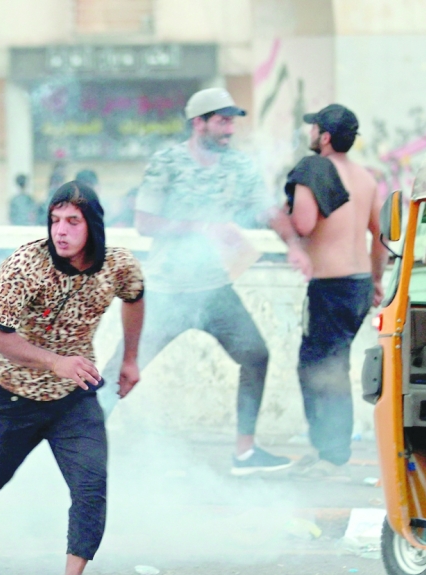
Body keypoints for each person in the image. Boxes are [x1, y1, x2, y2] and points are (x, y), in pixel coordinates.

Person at [0, 181, 145, 575]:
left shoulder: (116, 264)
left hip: (73, 396)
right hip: (11, 395)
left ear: (93, 225)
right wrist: (54, 361)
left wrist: (129, 359)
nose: (61, 231)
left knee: (91, 486)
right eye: (55, 220)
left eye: (72, 221)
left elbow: (135, 295)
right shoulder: (24, 266)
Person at [99, 87, 288, 476]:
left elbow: (267, 211)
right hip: (168, 291)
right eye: (222, 120)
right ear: (198, 123)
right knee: (122, 368)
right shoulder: (166, 162)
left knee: (256, 355)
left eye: (232, 121)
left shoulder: (239, 166)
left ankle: (245, 453)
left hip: (215, 290)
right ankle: (78, 441)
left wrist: (297, 245)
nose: (229, 129)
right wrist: (199, 227)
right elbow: (144, 223)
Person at [270, 104, 387, 477]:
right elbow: (381, 235)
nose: (310, 133)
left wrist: (276, 218)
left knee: (324, 370)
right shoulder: (367, 177)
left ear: (324, 137)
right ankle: (326, 448)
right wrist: (376, 279)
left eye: (314, 127)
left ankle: (332, 454)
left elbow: (303, 224)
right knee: (326, 364)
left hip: (331, 287)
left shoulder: (313, 170)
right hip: (357, 285)